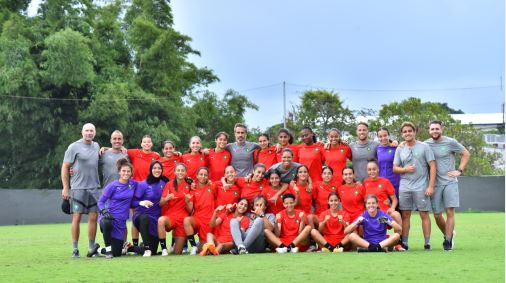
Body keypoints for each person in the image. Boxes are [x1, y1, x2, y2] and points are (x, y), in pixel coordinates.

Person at [425, 120, 470, 251]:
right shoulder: (425, 144)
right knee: (437, 214)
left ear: (441, 129)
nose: (435, 131)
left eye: (437, 129)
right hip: (435, 184)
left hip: (450, 182)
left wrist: (459, 170)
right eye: (432, 129)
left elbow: (466, 154)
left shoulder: (450, 142)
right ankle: (448, 233)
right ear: (429, 130)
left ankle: (448, 240)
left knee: (450, 212)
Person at [393, 122, 436, 251]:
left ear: (414, 132)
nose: (407, 133)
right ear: (402, 134)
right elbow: (395, 168)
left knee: (424, 214)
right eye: (405, 131)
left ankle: (427, 243)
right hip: (405, 186)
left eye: (410, 131)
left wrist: (430, 186)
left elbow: (433, 166)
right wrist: (405, 169)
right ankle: (405, 243)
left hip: (421, 186)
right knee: (405, 215)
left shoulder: (424, 147)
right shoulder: (400, 148)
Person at [61, 123, 101, 258]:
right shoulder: (73, 147)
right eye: (87, 131)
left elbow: (104, 152)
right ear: (82, 132)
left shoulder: (96, 146)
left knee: (93, 217)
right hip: (78, 188)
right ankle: (75, 249)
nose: (89, 133)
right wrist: (66, 188)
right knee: (76, 217)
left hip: (94, 188)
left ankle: (91, 248)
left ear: (94, 133)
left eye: (91, 131)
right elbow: (65, 167)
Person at [97, 158, 139, 258]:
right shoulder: (112, 186)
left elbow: (145, 186)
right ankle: (108, 251)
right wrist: (104, 211)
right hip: (109, 217)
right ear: (119, 172)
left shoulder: (133, 184)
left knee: (117, 253)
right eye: (123, 171)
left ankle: (97, 248)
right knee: (106, 222)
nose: (126, 173)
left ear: (131, 173)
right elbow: (100, 201)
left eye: (128, 171)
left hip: (120, 222)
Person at [363, 159, 404, 251]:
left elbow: (394, 199)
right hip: (372, 215)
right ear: (367, 171)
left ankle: (398, 243)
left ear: (378, 169)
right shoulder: (365, 182)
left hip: (384, 215)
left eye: (374, 169)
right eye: (369, 169)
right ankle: (372, 242)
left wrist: (392, 208)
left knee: (396, 215)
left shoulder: (385, 182)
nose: (372, 171)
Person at [131, 160, 168, 257]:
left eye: (159, 168)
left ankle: (129, 247)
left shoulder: (164, 183)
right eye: (154, 168)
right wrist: (142, 202)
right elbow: (132, 203)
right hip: (141, 216)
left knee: (154, 251)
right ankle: (146, 248)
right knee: (144, 218)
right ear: (150, 170)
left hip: (155, 219)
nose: (157, 170)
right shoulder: (143, 184)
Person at [157, 163, 194, 255]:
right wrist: (166, 199)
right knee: (161, 220)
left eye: (182, 170)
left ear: (186, 173)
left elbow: (190, 211)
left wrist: (186, 201)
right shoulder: (169, 184)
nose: (180, 172)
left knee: (177, 252)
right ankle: (164, 249)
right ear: (174, 172)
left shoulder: (190, 186)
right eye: (178, 170)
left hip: (182, 220)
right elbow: (160, 204)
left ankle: (175, 244)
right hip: (171, 218)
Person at [184, 167, 216, 255]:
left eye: (205, 175)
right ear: (197, 176)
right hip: (197, 219)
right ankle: (193, 245)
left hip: (209, 220)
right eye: (201, 174)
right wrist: (186, 201)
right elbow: (190, 209)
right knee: (186, 220)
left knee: (204, 249)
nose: (203, 176)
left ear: (208, 176)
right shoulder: (193, 189)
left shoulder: (212, 186)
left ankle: (199, 244)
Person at [376, 127, 400, 198]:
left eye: (385, 135)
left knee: (397, 206)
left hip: (395, 182)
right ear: (378, 138)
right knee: (384, 205)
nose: (383, 138)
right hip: (382, 182)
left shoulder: (396, 147)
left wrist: (396, 142)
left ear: (389, 135)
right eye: (380, 136)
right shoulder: (377, 149)